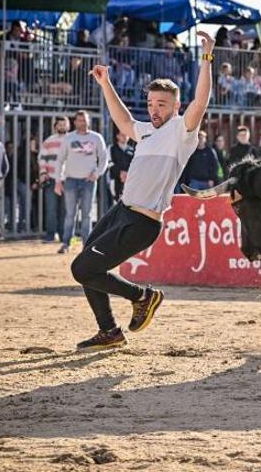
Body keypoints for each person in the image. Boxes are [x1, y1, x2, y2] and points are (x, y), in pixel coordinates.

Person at [66, 30, 215, 352]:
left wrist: (206, 59)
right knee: (87, 266)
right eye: (150, 103)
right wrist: (105, 83)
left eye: (161, 104)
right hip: (120, 212)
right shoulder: (146, 131)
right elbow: (122, 120)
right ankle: (109, 331)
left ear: (175, 107)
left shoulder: (182, 132)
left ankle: (143, 296)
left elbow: (201, 101)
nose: (154, 109)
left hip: (142, 222)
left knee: (82, 269)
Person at [54, 111, 109, 254]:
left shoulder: (96, 138)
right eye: (78, 120)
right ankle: (66, 243)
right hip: (71, 180)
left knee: (87, 215)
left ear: (88, 121)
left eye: (84, 120)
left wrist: (97, 174)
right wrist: (58, 181)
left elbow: (104, 159)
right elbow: (60, 160)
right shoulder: (68, 138)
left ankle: (87, 245)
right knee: (70, 214)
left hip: (88, 182)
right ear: (75, 122)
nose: (81, 123)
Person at [39, 117, 69, 242]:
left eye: (64, 124)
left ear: (68, 126)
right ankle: (50, 236)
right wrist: (43, 173)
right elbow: (42, 158)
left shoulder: (72, 140)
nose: (62, 127)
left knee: (66, 210)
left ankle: (64, 236)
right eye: (60, 124)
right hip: (51, 179)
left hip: (68, 180)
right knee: (51, 209)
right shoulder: (48, 141)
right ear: (55, 126)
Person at [109, 130, 135, 203]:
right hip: (116, 181)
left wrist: (128, 175)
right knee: (117, 203)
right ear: (117, 136)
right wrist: (120, 173)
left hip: (129, 181)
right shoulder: (112, 148)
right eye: (122, 135)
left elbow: (135, 165)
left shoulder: (132, 150)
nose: (124, 137)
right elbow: (110, 163)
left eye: (126, 135)